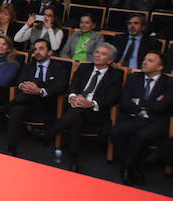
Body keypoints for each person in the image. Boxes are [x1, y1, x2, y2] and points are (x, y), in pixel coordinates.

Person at [52, 43, 124, 172]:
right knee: (77, 118)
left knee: (77, 113)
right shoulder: (84, 67)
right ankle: (74, 160)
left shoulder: (116, 75)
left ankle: (53, 131)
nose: (97, 55)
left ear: (110, 60)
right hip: (76, 106)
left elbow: (112, 98)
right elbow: (73, 85)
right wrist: (73, 97)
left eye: (103, 54)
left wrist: (91, 103)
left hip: (96, 112)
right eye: (97, 52)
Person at [0, 38, 70, 156]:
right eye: (35, 49)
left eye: (41, 49)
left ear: (50, 52)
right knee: (17, 109)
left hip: (47, 104)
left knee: (35, 85)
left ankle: (4, 108)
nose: (37, 52)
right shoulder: (28, 66)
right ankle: (11, 148)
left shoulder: (58, 68)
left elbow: (60, 87)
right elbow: (19, 82)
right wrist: (24, 86)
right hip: (27, 103)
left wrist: (39, 90)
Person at [110, 52, 173, 184]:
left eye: (150, 61)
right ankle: (131, 166)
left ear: (160, 67)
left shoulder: (168, 83)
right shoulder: (134, 77)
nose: (144, 62)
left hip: (154, 121)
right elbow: (124, 100)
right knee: (116, 132)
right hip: (134, 117)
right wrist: (149, 104)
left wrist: (139, 101)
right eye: (145, 59)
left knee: (141, 136)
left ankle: (127, 168)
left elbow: (162, 106)